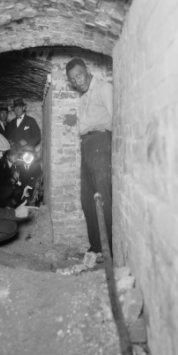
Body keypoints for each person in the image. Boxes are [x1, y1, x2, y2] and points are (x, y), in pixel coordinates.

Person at [66, 58, 113, 257]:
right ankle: (96, 248)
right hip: (86, 146)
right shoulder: (84, 97)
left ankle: (109, 248)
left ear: (87, 70)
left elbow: (115, 119)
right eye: (73, 79)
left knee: (102, 197)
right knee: (87, 200)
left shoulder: (104, 88)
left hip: (101, 143)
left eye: (79, 75)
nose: (77, 81)